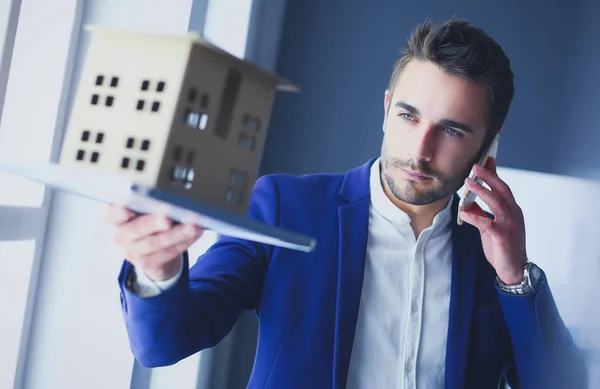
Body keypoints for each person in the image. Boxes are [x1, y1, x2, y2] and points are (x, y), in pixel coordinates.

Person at [106, 18, 587, 389]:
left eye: (452, 130)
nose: (419, 151)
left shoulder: (492, 259)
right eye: (408, 116)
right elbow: (165, 343)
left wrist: (513, 275)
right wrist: (157, 271)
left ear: (488, 147)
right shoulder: (283, 207)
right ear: (385, 110)